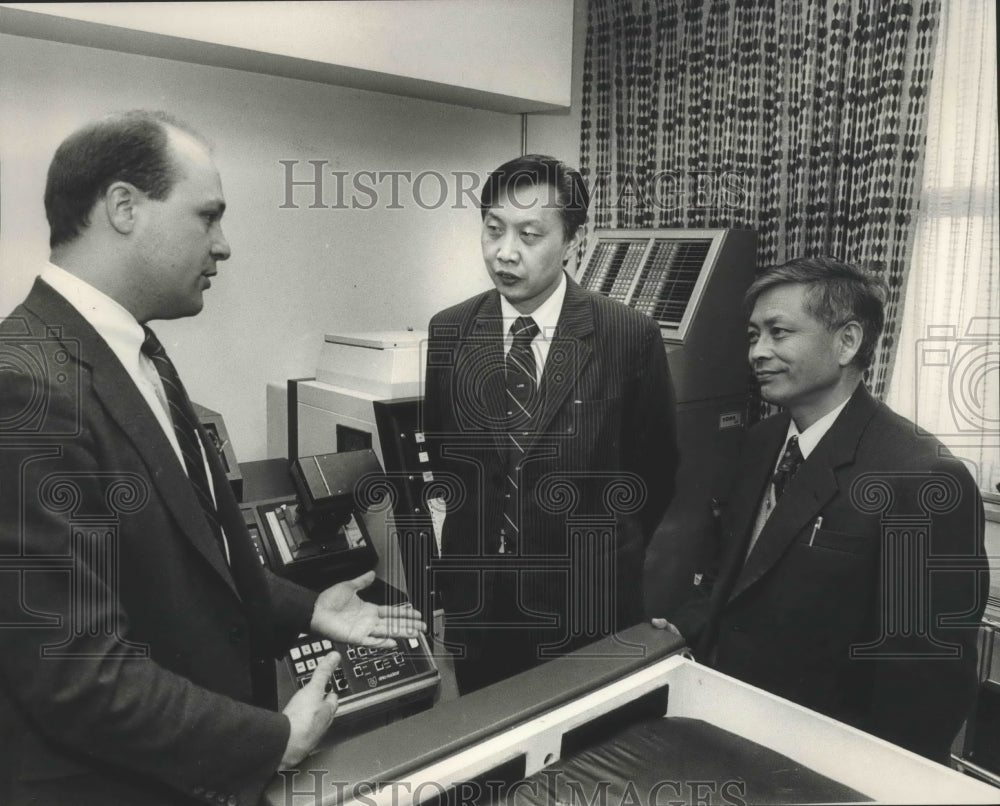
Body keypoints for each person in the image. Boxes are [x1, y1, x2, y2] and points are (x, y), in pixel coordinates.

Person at [0, 111, 425, 806]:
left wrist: (309, 606)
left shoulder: (138, 352)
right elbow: (73, 671)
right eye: (208, 217)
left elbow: (192, 557)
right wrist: (271, 741)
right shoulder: (23, 381)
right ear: (124, 208)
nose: (223, 246)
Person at [656, 256, 987, 764]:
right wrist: (680, 628)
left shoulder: (922, 477)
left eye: (779, 332)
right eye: (753, 335)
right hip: (729, 722)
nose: (758, 352)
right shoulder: (761, 443)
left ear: (847, 342)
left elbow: (926, 685)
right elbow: (734, 575)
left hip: (826, 758)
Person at [423, 155, 678, 694]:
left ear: (571, 243)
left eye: (529, 234)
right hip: (481, 609)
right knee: (488, 761)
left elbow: (654, 477)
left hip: (587, 607)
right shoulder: (449, 332)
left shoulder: (627, 336)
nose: (504, 252)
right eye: (493, 230)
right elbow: (450, 463)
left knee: (585, 762)